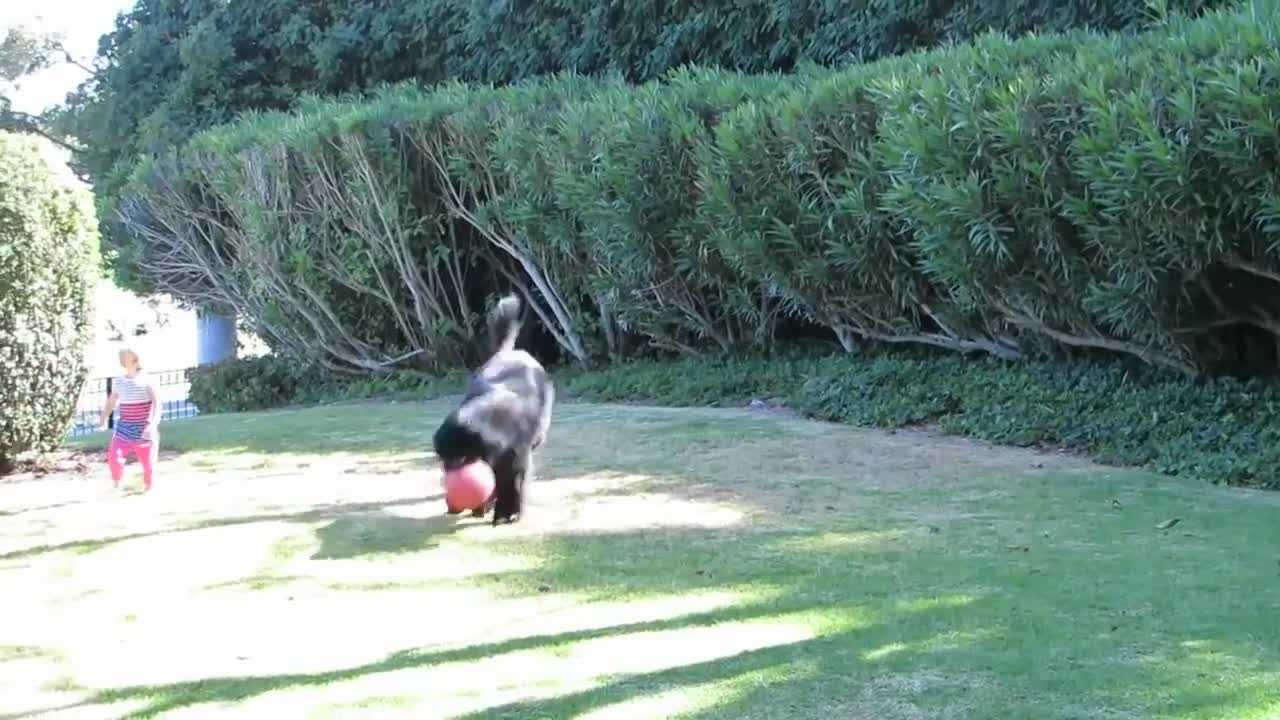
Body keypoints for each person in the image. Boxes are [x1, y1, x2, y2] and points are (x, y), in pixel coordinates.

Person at [100, 347, 161, 491]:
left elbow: (157, 403)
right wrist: (103, 419)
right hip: (123, 428)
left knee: (148, 463)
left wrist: (152, 424)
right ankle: (116, 483)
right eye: (128, 359)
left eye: (135, 358)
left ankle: (148, 486)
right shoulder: (119, 382)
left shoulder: (147, 380)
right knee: (115, 457)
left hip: (143, 429)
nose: (134, 362)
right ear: (124, 363)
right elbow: (112, 401)